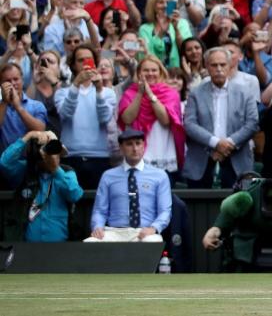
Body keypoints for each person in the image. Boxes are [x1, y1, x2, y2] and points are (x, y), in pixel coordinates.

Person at [182, 48, 259, 189]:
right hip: (202, 159)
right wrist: (216, 143)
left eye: (222, 65)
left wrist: (228, 143)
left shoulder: (245, 92)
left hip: (237, 159)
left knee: (237, 207)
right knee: (200, 208)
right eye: (214, 65)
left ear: (230, 66)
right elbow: (189, 124)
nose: (218, 69)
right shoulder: (196, 93)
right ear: (206, 66)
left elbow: (252, 123)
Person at [85, 128, 171, 243]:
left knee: (152, 242)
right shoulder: (108, 176)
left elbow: (165, 210)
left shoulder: (160, 176)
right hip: (115, 232)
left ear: (144, 146)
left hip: (144, 231)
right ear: (121, 148)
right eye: (129, 144)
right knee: (90, 242)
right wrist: (97, 227)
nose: (135, 149)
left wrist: (154, 228)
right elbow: (100, 210)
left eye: (138, 143)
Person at [0, 130, 83, 241]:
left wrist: (55, 169)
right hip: (28, 247)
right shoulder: (27, 170)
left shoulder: (67, 172)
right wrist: (28, 136)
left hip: (60, 246)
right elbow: (5, 163)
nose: (52, 156)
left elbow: (75, 195)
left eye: (55, 152)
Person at [55, 45, 117, 189]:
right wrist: (76, 85)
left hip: (99, 157)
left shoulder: (108, 92)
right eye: (80, 60)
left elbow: (104, 118)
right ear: (73, 65)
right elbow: (67, 113)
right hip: (70, 157)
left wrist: (99, 89)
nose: (85, 64)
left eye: (88, 60)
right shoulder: (62, 93)